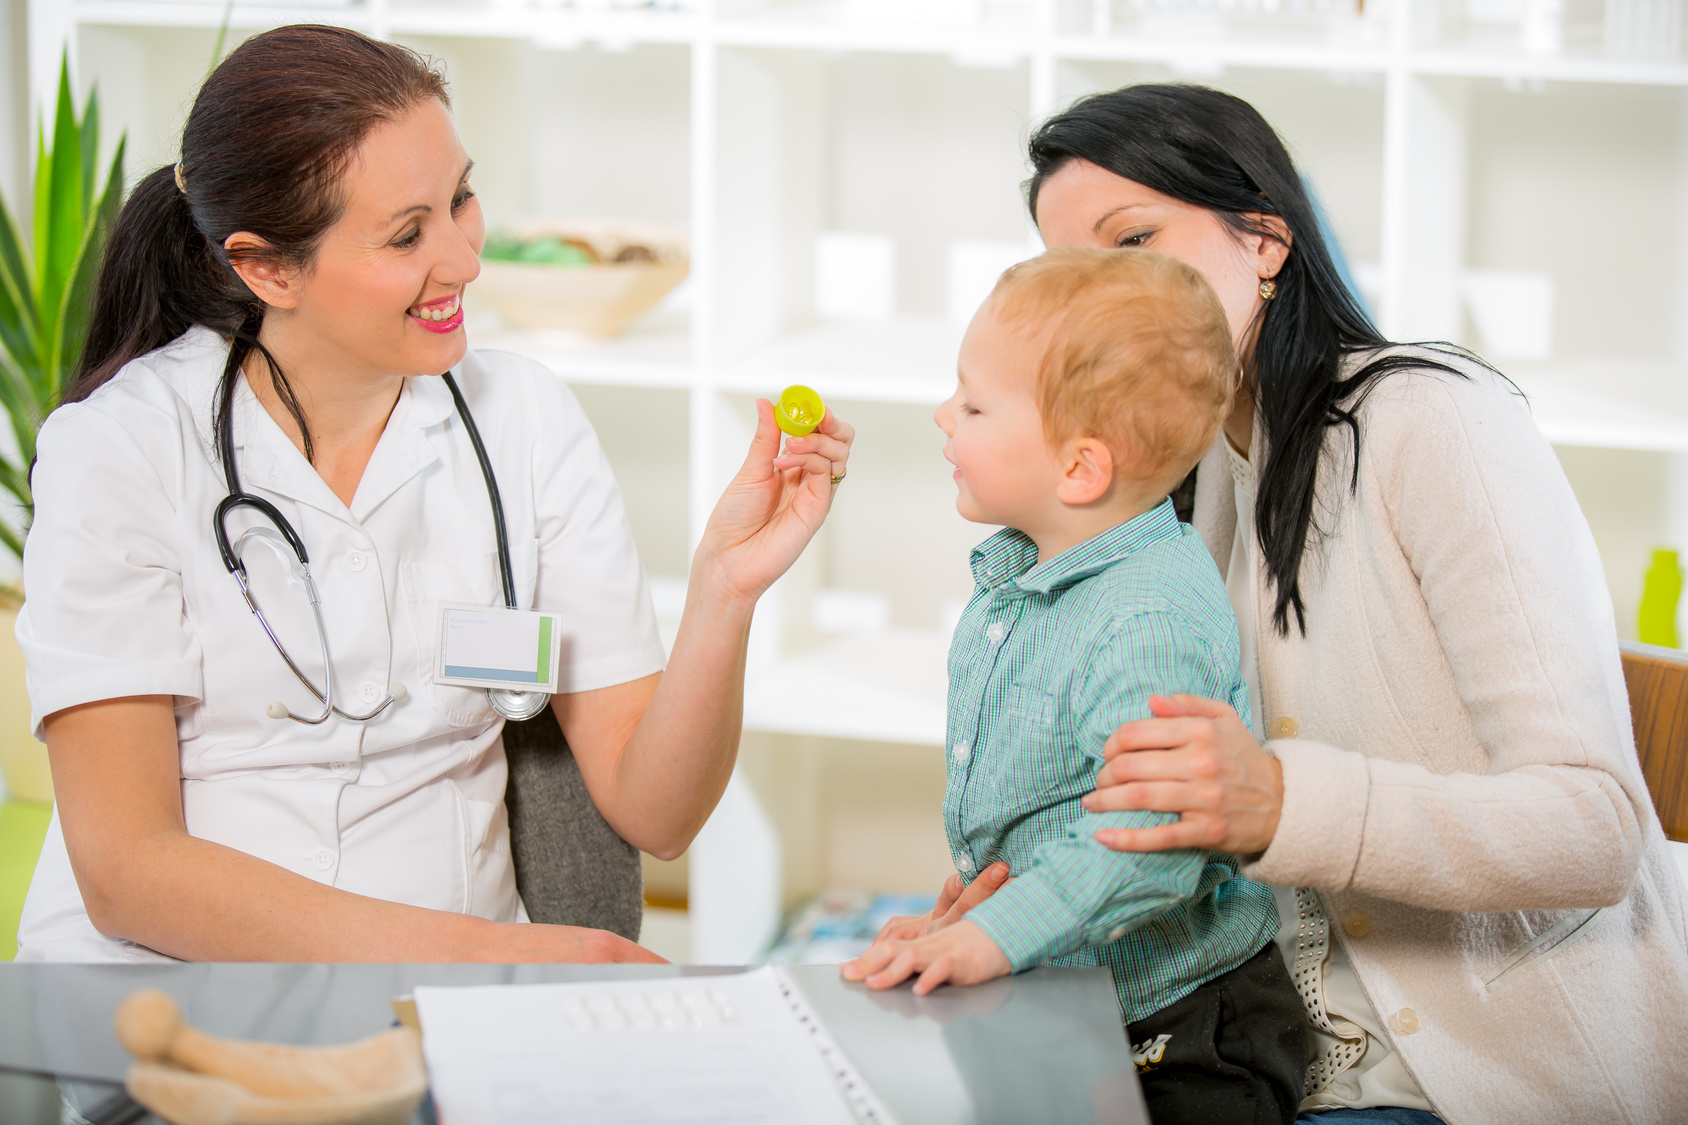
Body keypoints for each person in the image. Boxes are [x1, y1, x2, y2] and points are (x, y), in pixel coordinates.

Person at [14, 26, 853, 964]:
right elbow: (130, 872)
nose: (462, 260)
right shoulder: (120, 447)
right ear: (266, 267)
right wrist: (495, 957)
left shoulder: (522, 420)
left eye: (461, 200)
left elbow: (656, 811)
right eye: (408, 234)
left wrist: (724, 591)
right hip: (179, 993)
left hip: (455, 1009)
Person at [931, 83, 1688, 1123]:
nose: (1108, 297)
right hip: (1249, 1045)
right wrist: (1018, 906)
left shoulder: (1431, 424)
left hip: (1473, 1080)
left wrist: (1282, 805)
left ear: (1266, 243)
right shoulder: (1170, 500)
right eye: (1076, 270)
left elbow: (1593, 830)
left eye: (1135, 240)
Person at [842, 248, 1306, 1125]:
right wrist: (974, 922)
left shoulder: (1144, 626)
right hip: (1075, 993)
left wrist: (994, 936)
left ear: (1082, 469)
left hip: (1189, 1030)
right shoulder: (1032, 573)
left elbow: (1152, 841)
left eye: (974, 403)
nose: (944, 414)